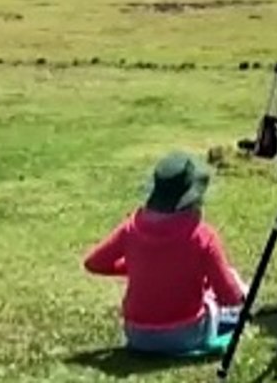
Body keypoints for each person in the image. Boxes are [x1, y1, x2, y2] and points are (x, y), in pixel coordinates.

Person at [83, 151, 246, 355]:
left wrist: (143, 267)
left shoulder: (131, 228)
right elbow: (229, 297)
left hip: (137, 335)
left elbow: (93, 263)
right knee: (237, 285)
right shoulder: (202, 236)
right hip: (187, 335)